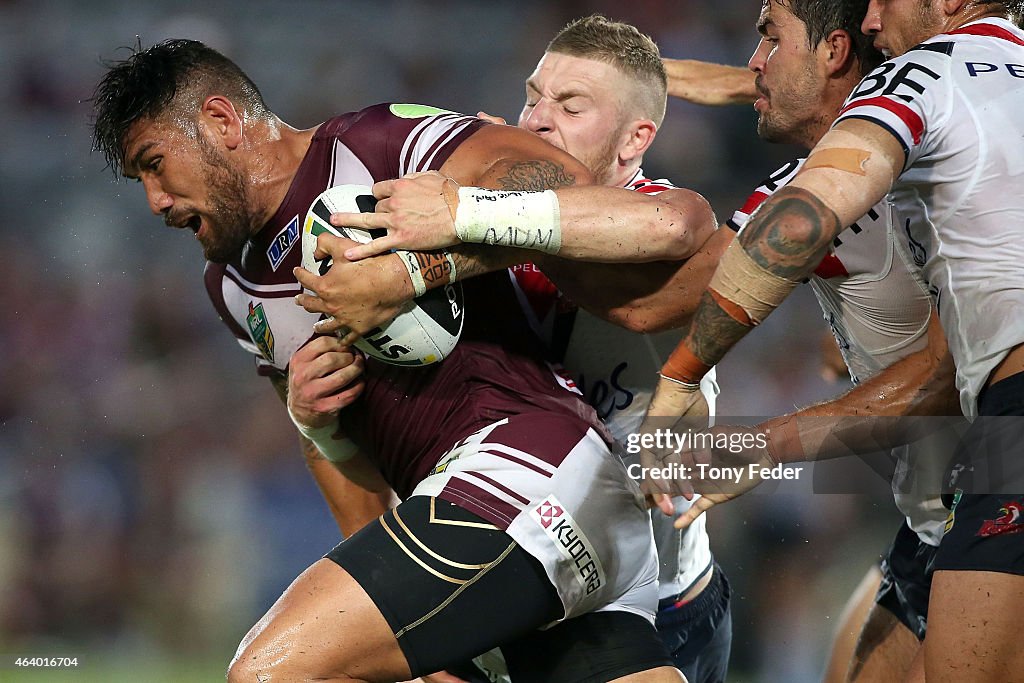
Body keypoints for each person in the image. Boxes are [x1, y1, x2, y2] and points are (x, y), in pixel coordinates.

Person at [90, 39, 695, 682]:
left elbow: (560, 183)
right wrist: (312, 420)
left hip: (532, 469)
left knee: (269, 673)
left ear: (221, 121)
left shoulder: (377, 144)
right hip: (512, 526)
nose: (155, 200)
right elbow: (337, 456)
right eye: (142, 182)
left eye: (156, 164)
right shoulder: (230, 287)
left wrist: (421, 265)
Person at [296, 16, 732, 682]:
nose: (537, 119)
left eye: (571, 105)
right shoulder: (467, 223)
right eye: (533, 98)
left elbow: (667, 246)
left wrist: (475, 214)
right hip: (519, 588)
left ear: (636, 138)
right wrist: (315, 411)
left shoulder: (670, 232)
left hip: (659, 605)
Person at [644, 1, 1024, 681]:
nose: (877, 17)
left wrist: (690, 385)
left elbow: (794, 229)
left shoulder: (918, 81)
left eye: (770, 40)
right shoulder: (987, 100)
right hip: (939, 504)